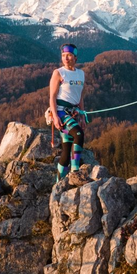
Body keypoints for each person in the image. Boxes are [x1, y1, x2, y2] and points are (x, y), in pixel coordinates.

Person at [49, 43, 86, 181]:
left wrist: (82, 116)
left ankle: (58, 184)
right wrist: (55, 117)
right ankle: (75, 171)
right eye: (63, 55)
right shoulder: (58, 73)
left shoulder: (81, 74)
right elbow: (52, 97)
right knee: (78, 134)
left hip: (74, 113)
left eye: (69, 55)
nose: (66, 58)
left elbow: (80, 96)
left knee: (66, 149)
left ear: (75, 57)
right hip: (61, 112)